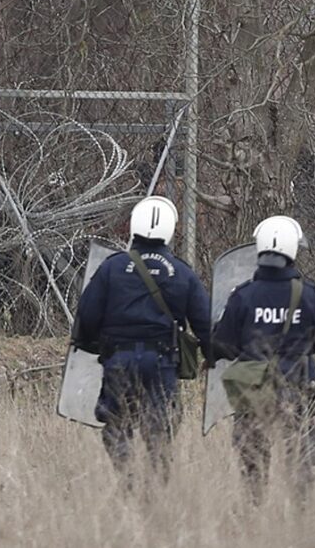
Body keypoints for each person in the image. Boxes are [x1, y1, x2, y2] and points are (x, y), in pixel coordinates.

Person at [73, 196, 212, 484]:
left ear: (135, 225)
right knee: (160, 429)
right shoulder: (182, 273)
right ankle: (157, 486)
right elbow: (204, 324)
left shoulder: (112, 268)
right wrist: (213, 355)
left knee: (117, 424)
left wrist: (87, 344)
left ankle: (128, 479)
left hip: (119, 360)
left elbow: (86, 315)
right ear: (170, 230)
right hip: (163, 363)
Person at [212, 215, 315, 502]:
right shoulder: (309, 295)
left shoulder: (242, 295)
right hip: (298, 384)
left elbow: (223, 344)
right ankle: (301, 510)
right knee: (300, 455)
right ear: (292, 250)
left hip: (254, 389)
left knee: (252, 457)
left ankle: (255, 505)